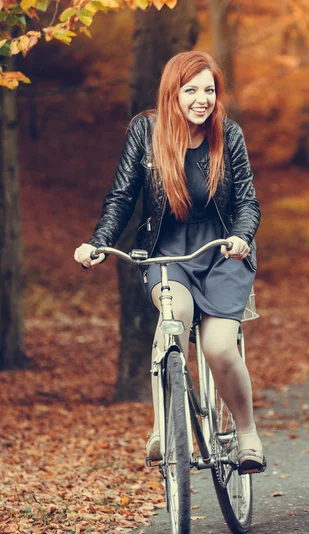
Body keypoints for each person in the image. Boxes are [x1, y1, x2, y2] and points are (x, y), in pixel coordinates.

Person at [74, 51, 266, 474]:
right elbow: (123, 195)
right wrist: (99, 241)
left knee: (218, 347)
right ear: (173, 92)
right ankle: (164, 426)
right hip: (166, 251)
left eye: (210, 90)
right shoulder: (145, 131)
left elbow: (247, 201)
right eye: (192, 89)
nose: (202, 99)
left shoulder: (228, 135)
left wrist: (240, 237)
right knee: (172, 318)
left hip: (221, 252)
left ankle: (247, 435)